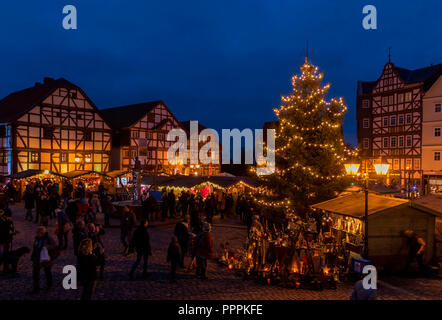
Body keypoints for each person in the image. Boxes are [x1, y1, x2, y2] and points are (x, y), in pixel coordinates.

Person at [30, 226, 57, 294]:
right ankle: (36, 288)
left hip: (46, 258)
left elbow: (54, 246)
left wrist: (46, 247)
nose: (37, 234)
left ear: (42, 233)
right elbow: (35, 248)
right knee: (35, 273)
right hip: (37, 259)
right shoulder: (37, 238)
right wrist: (33, 257)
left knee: (47, 272)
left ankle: (49, 285)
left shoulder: (48, 238)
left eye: (38, 233)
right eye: (37, 233)